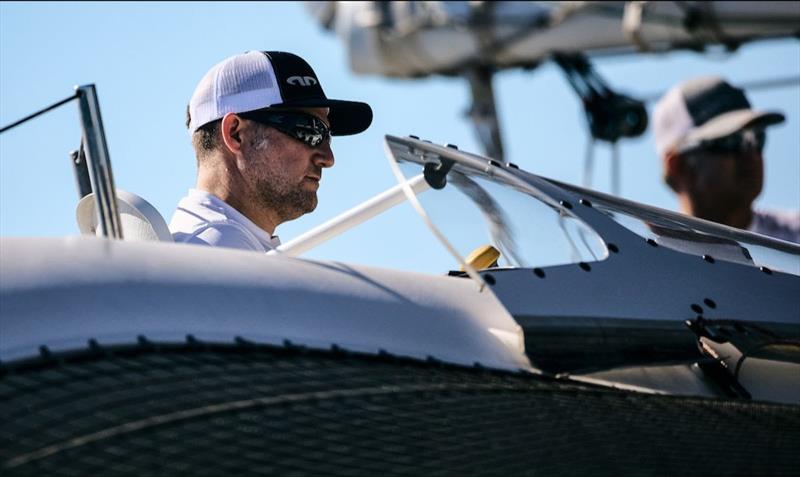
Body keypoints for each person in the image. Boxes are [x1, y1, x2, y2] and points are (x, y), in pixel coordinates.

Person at [169, 50, 373, 251]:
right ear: (235, 133)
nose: (328, 158)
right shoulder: (220, 247)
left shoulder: (217, 244)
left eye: (327, 136)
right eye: (309, 131)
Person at [652, 75, 799, 244]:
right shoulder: (645, 260)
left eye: (756, 138)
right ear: (679, 166)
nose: (751, 154)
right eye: (731, 141)